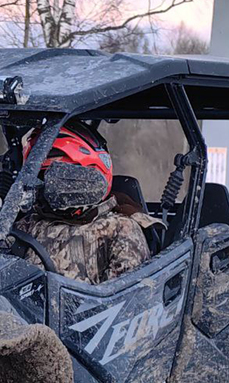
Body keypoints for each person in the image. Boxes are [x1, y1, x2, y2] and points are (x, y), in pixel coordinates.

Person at [14, 122, 151, 285]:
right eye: (43, 177)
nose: (50, 187)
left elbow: (122, 301)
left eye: (60, 179)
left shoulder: (119, 229)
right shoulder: (28, 226)